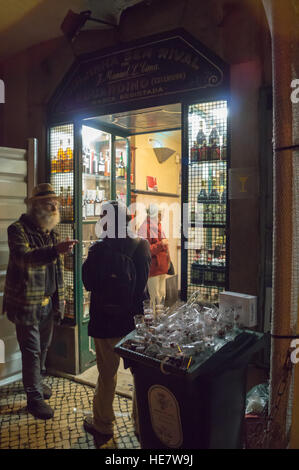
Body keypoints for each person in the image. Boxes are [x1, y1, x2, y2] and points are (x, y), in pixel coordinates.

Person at [2, 183, 78, 420]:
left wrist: (61, 301)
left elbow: (56, 273)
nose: (55, 206)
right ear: (35, 206)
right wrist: (55, 250)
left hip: (48, 303)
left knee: (42, 348)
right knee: (31, 352)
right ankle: (34, 398)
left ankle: (36, 384)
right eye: (49, 202)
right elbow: (24, 258)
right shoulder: (17, 230)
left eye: (55, 202)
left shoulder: (51, 233)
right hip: (27, 303)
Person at [82, 200, 151, 444]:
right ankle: (142, 426)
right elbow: (142, 285)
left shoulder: (97, 250)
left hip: (105, 323)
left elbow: (88, 283)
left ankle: (102, 425)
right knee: (139, 376)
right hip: (134, 324)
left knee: (106, 375)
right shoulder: (141, 246)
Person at [138, 203, 170, 307]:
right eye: (160, 214)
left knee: (161, 296)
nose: (161, 217)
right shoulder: (144, 228)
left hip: (161, 268)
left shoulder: (157, 225)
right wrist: (161, 244)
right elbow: (146, 251)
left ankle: (159, 320)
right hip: (153, 270)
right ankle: (153, 322)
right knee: (154, 298)